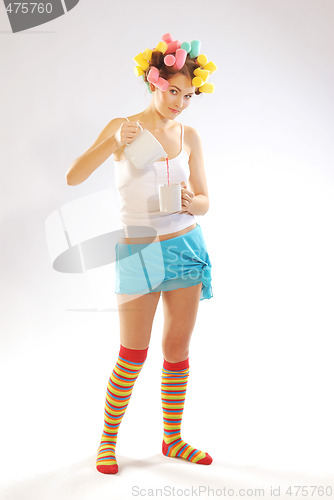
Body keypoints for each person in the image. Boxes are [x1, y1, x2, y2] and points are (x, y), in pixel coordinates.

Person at [65, 33, 217, 475]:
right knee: (132, 352)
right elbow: (74, 176)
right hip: (138, 250)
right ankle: (107, 443)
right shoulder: (123, 125)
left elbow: (207, 197)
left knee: (176, 348)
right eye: (174, 91)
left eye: (188, 95)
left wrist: (195, 203)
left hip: (186, 245)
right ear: (153, 81)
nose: (180, 102)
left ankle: (172, 439)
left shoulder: (190, 135)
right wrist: (113, 141)